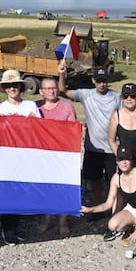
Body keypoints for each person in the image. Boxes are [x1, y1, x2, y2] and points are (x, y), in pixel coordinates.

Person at [58, 63, 122, 240]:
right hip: (93, 147)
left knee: (113, 181)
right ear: (93, 81)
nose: (102, 84)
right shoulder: (86, 94)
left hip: (112, 148)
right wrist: (62, 74)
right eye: (99, 81)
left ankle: (115, 212)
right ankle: (97, 208)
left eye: (105, 81)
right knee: (95, 181)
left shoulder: (117, 97)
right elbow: (62, 91)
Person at [81, 146, 136, 253]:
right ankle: (131, 228)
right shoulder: (116, 178)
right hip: (133, 210)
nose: (124, 162)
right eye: (121, 159)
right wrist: (90, 210)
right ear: (117, 161)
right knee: (113, 224)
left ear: (132, 160)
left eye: (127, 159)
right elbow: (108, 204)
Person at [0, 70, 41, 244]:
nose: (12, 88)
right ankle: (7, 229)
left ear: (21, 87)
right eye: (8, 86)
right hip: (8, 157)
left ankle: (16, 226)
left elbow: (41, 129)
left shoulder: (31, 106)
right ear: (5, 89)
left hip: (25, 156)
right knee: (8, 193)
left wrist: (34, 122)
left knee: (20, 192)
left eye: (15, 85)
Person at [36, 77, 77, 237]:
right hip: (43, 156)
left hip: (62, 156)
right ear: (41, 91)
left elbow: (72, 132)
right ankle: (46, 220)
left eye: (53, 88)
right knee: (46, 189)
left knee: (63, 189)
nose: (51, 91)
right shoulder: (36, 107)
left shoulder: (67, 107)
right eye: (48, 88)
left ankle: (62, 221)